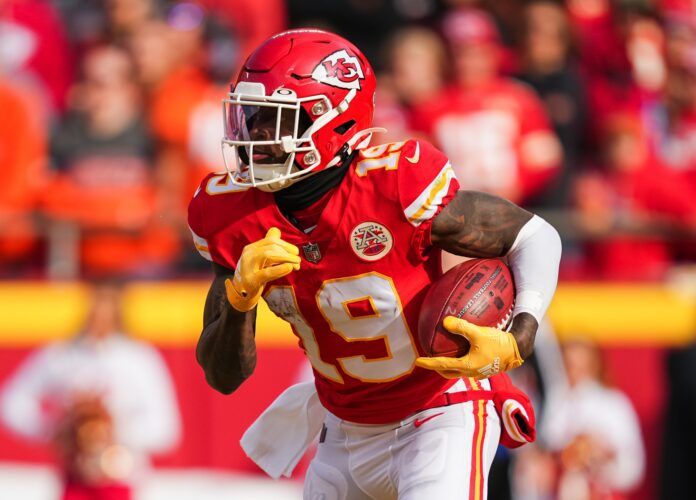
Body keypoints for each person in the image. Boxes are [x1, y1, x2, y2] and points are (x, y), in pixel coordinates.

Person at [188, 29, 561, 498]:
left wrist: (519, 334)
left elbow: (534, 235)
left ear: (333, 121)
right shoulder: (231, 214)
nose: (255, 136)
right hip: (342, 430)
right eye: (250, 117)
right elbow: (223, 377)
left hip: (438, 413)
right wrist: (239, 298)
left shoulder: (392, 187)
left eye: (273, 120)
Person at [0, 281, 181, 500]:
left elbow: (166, 429)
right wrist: (51, 428)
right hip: (74, 478)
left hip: (121, 479)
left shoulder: (138, 359)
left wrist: (114, 429)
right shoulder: (64, 354)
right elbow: (12, 402)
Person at [542, 339, 645, 499]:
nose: (574, 374)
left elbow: (632, 464)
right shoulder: (555, 401)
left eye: (580, 367)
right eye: (569, 366)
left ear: (593, 365)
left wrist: (603, 453)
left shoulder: (614, 404)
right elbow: (545, 448)